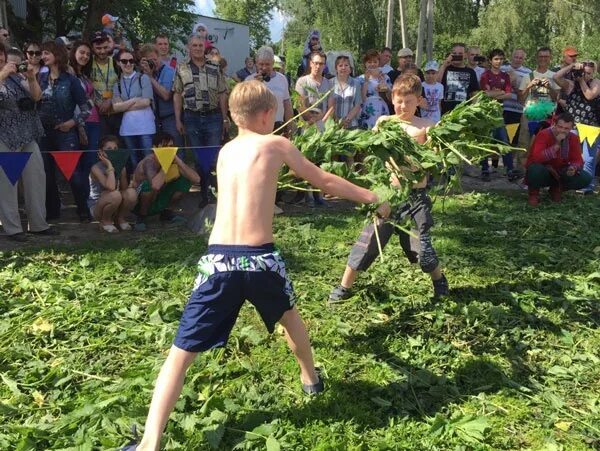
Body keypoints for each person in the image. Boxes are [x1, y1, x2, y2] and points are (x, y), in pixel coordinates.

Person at [123, 80, 388, 451]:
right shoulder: (277, 144)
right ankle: (310, 379)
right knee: (291, 318)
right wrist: (372, 197)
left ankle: (150, 442)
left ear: (232, 117)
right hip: (260, 259)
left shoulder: (225, 151)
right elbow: (323, 179)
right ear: (267, 115)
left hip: (217, 262)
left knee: (180, 354)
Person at [329, 74, 449, 304]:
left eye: (409, 101)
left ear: (419, 101)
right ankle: (344, 287)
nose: (403, 106)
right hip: (388, 196)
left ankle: (439, 281)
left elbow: (435, 159)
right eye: (399, 100)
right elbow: (371, 149)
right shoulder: (384, 122)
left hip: (416, 197)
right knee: (367, 241)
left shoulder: (427, 127)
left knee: (423, 248)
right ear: (392, 98)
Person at [0, 45, 57, 242]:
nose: (0, 58)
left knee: (36, 179)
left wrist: (31, 78)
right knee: (7, 185)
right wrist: (2, 74)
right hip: (5, 137)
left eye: (2, 55)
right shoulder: (4, 75)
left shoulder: (17, 77)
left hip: (28, 134)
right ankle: (13, 228)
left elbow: (37, 97)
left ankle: (39, 224)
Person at [38, 41, 92, 222]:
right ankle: (52, 212)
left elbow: (87, 109)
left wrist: (72, 123)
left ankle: (83, 208)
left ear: (57, 55)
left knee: (74, 174)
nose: (43, 56)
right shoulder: (40, 78)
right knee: (47, 175)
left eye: (46, 53)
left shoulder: (71, 80)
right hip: (43, 133)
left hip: (66, 133)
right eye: (42, 53)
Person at [173, 34, 228, 208]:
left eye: (200, 45)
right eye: (194, 45)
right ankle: (205, 195)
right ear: (189, 47)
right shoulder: (181, 68)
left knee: (212, 159)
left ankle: (216, 194)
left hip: (213, 116)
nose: (198, 48)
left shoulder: (214, 66)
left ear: (204, 47)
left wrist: (225, 117)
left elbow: (222, 93)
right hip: (192, 118)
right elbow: (176, 94)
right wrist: (178, 120)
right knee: (199, 159)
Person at [130, 132, 200, 231]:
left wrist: (179, 162)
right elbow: (155, 186)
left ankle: (166, 212)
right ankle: (141, 217)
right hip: (139, 202)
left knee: (185, 181)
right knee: (148, 185)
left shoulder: (173, 159)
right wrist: (166, 165)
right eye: (164, 146)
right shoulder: (149, 161)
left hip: (159, 197)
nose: (168, 149)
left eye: (170, 146)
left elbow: (196, 179)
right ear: (154, 147)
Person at [525, 113, 592, 206]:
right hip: (544, 169)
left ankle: (556, 188)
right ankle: (534, 194)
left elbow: (578, 160)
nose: (562, 131)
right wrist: (556, 145)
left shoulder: (573, 137)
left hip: (560, 171)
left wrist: (573, 167)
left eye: (566, 128)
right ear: (554, 124)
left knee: (586, 178)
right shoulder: (543, 134)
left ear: (571, 128)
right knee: (535, 169)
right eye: (560, 127)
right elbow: (537, 158)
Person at [554, 60, 600, 194]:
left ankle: (587, 186)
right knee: (568, 156)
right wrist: (571, 66)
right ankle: (566, 184)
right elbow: (556, 77)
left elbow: (590, 95)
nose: (586, 75)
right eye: (583, 72)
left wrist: (581, 81)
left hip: (591, 127)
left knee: (588, 159)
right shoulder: (571, 84)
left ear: (594, 73)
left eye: (589, 73)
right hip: (573, 126)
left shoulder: (596, 82)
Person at [111, 49, 156, 168]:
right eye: (124, 61)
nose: (128, 64)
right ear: (118, 63)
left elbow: (146, 102)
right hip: (127, 128)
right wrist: (135, 100)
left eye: (131, 61)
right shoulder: (117, 84)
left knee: (148, 159)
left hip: (145, 127)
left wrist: (124, 105)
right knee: (134, 161)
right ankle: (137, 186)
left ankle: (150, 185)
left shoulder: (143, 78)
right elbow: (115, 108)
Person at [479, 48, 517, 182]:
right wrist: (499, 93)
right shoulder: (485, 75)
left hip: (499, 113)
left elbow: (508, 94)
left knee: (504, 141)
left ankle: (510, 169)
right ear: (490, 61)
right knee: (485, 141)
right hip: (486, 113)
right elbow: (485, 94)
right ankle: (484, 169)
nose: (498, 61)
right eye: (496, 59)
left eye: (501, 59)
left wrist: (494, 93)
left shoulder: (505, 76)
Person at [88, 135, 137, 232]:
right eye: (109, 149)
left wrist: (127, 179)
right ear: (101, 152)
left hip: (115, 202)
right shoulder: (96, 168)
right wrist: (110, 165)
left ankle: (120, 219)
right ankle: (105, 221)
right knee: (115, 194)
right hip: (98, 206)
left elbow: (124, 189)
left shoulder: (121, 166)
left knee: (131, 193)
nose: (113, 151)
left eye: (115, 148)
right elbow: (111, 187)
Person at [138, 43, 183, 149]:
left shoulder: (169, 71)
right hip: (153, 119)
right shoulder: (142, 74)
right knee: (158, 151)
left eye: (155, 59)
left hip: (170, 118)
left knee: (175, 149)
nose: (154, 62)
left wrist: (150, 77)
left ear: (159, 56)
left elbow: (166, 95)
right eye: (150, 60)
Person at [246, 46, 293, 136]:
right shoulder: (249, 80)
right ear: (256, 63)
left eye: (267, 64)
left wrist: (290, 127)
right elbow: (244, 106)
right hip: (256, 129)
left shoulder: (282, 79)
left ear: (273, 63)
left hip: (278, 127)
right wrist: (255, 86)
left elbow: (287, 105)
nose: (264, 68)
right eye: (261, 64)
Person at [518, 47, 560, 139]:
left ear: (550, 58)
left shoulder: (554, 76)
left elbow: (556, 98)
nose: (543, 59)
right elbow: (520, 99)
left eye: (546, 56)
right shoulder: (528, 76)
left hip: (547, 116)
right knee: (524, 143)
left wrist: (549, 87)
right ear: (537, 58)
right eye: (541, 56)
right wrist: (529, 85)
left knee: (543, 143)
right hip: (528, 115)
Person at [70, 41, 101, 153]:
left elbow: (91, 99)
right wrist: (80, 126)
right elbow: (72, 102)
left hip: (95, 120)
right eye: (82, 53)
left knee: (91, 158)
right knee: (78, 159)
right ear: (74, 53)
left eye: (88, 54)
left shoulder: (84, 75)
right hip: (80, 122)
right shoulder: (69, 73)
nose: (85, 56)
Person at [90, 31, 121, 136]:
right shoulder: (88, 64)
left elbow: (123, 86)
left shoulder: (116, 63)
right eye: (98, 48)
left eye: (105, 47)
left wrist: (110, 100)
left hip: (117, 111)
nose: (102, 51)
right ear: (92, 48)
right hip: (97, 112)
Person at [437, 43, 479, 114]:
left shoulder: (471, 72)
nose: (457, 55)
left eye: (460, 53)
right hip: (445, 113)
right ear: (451, 55)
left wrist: (473, 111)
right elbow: (436, 84)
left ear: (465, 55)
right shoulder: (445, 69)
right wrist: (444, 65)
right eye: (454, 53)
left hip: (463, 113)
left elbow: (474, 94)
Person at [295, 50, 333, 130]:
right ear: (311, 63)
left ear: (324, 66)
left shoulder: (329, 83)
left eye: (321, 64)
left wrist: (322, 122)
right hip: (306, 126)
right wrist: (312, 120)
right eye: (316, 63)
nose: (318, 66)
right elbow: (299, 105)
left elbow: (331, 107)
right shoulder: (302, 81)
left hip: (324, 126)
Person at [357, 49, 391, 129]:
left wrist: (385, 87)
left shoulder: (385, 77)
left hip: (381, 108)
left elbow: (391, 99)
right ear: (365, 64)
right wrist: (366, 81)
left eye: (375, 62)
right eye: (369, 62)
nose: (372, 64)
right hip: (367, 109)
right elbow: (361, 99)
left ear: (378, 63)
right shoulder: (359, 79)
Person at [328, 55, 363, 129]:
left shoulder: (356, 83)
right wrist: (338, 121)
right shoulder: (329, 83)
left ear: (350, 69)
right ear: (336, 69)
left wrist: (346, 120)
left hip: (351, 124)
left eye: (346, 65)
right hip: (333, 125)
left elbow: (357, 105)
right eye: (340, 65)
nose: (343, 68)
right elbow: (329, 106)